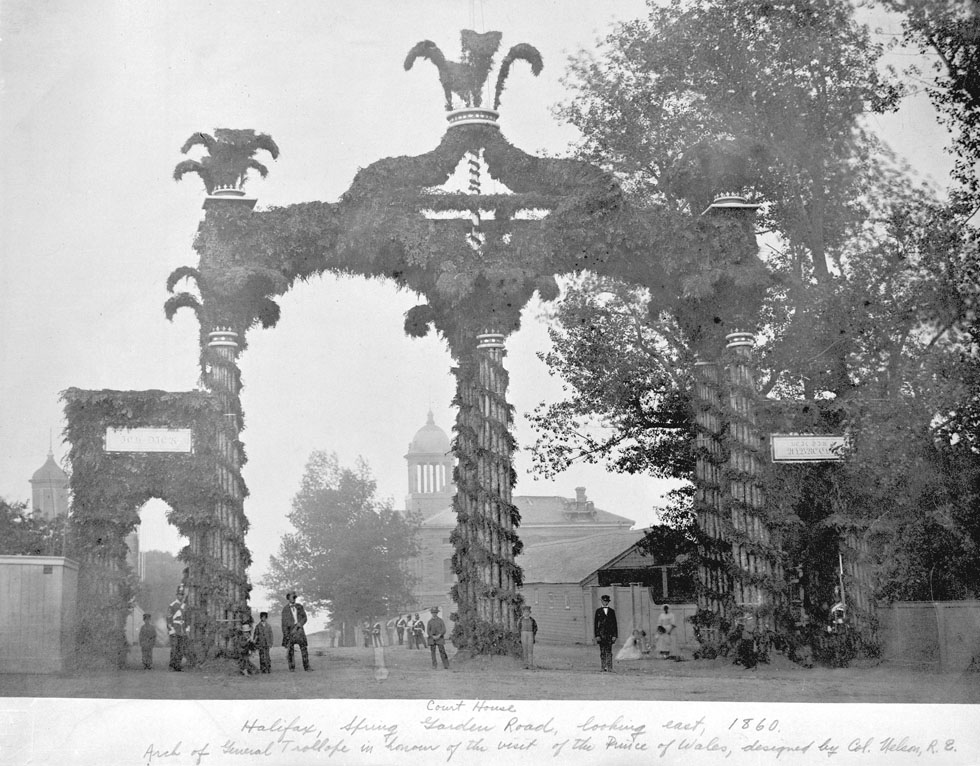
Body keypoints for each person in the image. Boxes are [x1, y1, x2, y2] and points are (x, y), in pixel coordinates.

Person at [281, 592, 311, 671]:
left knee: (304, 648)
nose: (294, 598)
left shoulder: (300, 607)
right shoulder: (285, 610)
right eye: (292, 597)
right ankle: (291, 667)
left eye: (295, 597)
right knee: (290, 650)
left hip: (299, 630)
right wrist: (285, 634)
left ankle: (307, 667)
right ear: (288, 598)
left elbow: (305, 618)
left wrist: (300, 623)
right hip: (291, 631)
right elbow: (284, 624)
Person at [593, 594, 618, 672]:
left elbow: (615, 624)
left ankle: (610, 667)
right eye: (604, 601)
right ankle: (603, 667)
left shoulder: (611, 611)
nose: (605, 603)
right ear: (601, 601)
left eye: (607, 601)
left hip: (609, 634)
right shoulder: (598, 611)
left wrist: (615, 635)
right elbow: (595, 624)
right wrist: (597, 635)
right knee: (602, 651)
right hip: (601, 634)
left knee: (609, 651)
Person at [167, 585, 188, 672]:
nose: (181, 596)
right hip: (175, 629)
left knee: (181, 649)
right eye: (179, 594)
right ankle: (172, 665)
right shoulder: (172, 605)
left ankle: (178, 665)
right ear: (176, 595)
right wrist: (171, 630)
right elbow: (168, 619)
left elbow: (186, 619)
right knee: (174, 648)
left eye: (182, 595)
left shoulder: (184, 606)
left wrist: (187, 629)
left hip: (182, 630)